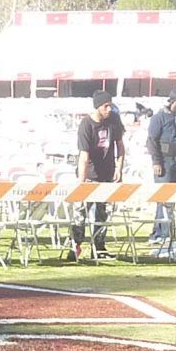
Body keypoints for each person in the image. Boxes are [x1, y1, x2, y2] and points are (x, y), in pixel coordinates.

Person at [71, 90, 127, 259]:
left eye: (110, 105)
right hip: (90, 175)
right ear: (97, 107)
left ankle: (99, 248)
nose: (109, 109)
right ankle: (75, 247)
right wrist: (81, 182)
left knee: (102, 214)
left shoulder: (113, 121)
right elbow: (84, 156)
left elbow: (120, 146)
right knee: (80, 213)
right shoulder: (86, 125)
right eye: (105, 106)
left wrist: (119, 168)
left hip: (107, 174)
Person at [145, 92, 176, 250]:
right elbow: (152, 140)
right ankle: (160, 233)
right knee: (163, 197)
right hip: (164, 161)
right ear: (171, 102)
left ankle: (165, 230)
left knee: (171, 198)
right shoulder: (158, 118)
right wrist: (156, 162)